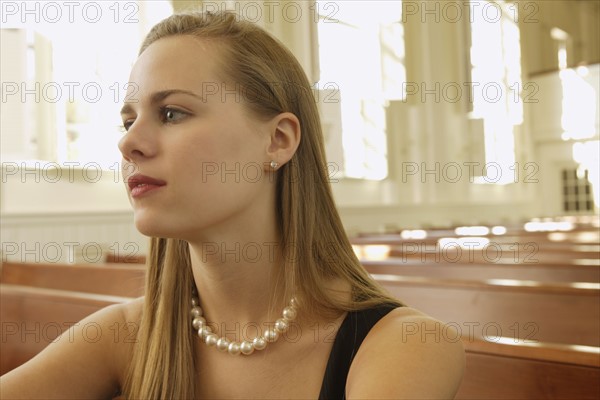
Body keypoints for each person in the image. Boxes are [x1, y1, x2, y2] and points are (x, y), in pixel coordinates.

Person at [0, 11, 464, 399]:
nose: (129, 143)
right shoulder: (128, 333)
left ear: (277, 141)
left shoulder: (401, 345)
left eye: (171, 113)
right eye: (127, 119)